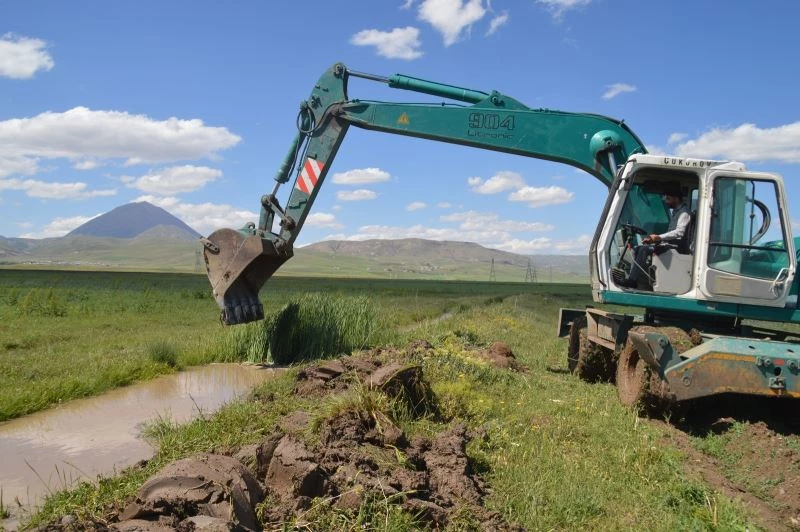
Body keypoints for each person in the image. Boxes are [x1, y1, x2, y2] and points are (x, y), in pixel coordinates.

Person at [617, 188, 692, 289]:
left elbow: (679, 233)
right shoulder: (676, 212)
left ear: (676, 198)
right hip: (670, 244)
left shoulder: (684, 213)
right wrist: (654, 239)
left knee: (644, 249)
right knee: (639, 248)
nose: (666, 201)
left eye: (668, 198)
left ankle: (633, 281)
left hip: (677, 247)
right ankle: (634, 279)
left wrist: (658, 237)